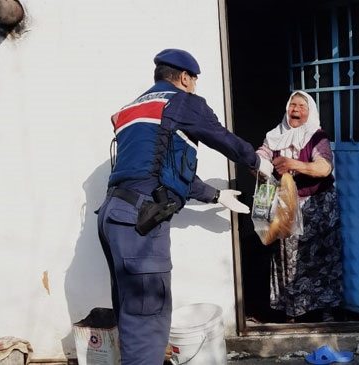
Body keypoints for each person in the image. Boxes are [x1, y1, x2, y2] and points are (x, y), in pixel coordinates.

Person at [96, 48, 273, 365]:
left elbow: (163, 171)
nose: (194, 88)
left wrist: (216, 195)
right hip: (141, 220)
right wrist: (258, 161)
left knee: (131, 312)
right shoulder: (181, 102)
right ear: (184, 78)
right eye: (194, 81)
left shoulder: (132, 110)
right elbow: (221, 137)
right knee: (147, 321)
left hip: (114, 217)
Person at [256, 90, 343, 323]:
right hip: (286, 205)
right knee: (288, 258)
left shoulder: (316, 136)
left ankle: (326, 310)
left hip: (317, 206)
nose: (295, 109)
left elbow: (324, 168)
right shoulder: (275, 136)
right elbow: (260, 158)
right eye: (292, 105)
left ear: (310, 111)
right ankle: (292, 310)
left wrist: (293, 164)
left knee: (322, 258)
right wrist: (258, 165)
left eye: (301, 106)